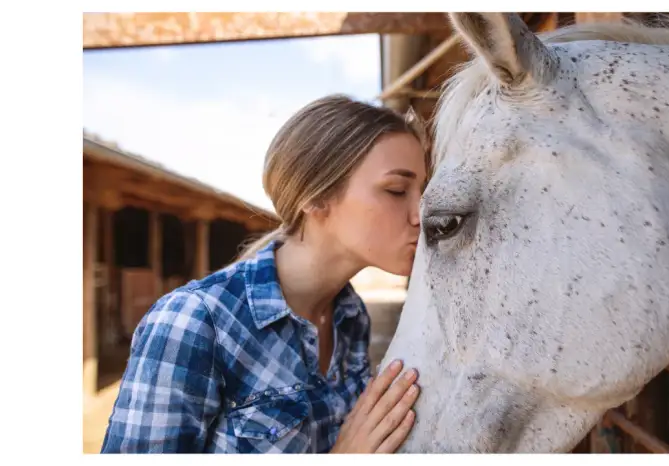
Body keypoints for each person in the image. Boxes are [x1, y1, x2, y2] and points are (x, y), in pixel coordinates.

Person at [100, 94, 431, 453]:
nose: (422, 214)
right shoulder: (193, 323)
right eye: (397, 190)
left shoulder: (350, 319)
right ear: (315, 196)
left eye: (423, 191)